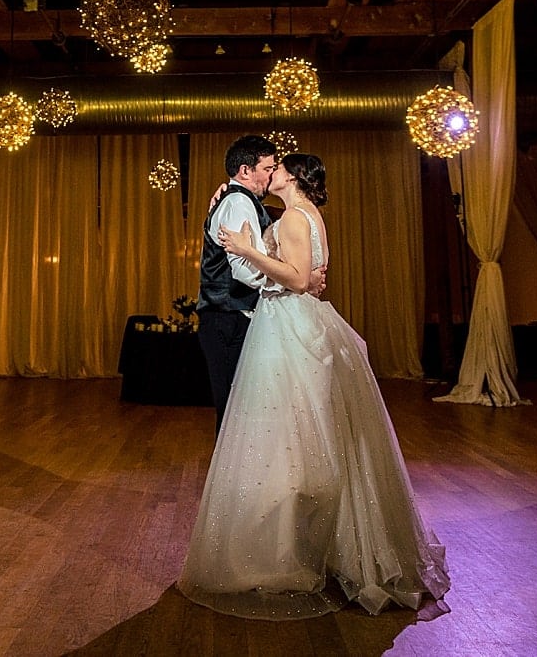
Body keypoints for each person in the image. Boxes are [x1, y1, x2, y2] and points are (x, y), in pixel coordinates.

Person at [179, 153, 449, 620]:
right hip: (296, 320)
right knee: (303, 436)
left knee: (288, 437)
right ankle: (313, 543)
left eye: (279, 168)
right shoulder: (302, 217)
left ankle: (292, 552)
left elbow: (300, 279)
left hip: (287, 323)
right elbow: (307, 275)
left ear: (295, 177)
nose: (272, 173)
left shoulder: (293, 221)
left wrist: (248, 252)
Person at [195, 135, 278, 432]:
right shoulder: (239, 202)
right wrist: (286, 279)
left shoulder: (241, 201)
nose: (272, 175)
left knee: (238, 410)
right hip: (228, 317)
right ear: (246, 171)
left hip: (229, 316)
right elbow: (244, 269)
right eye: (268, 168)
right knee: (234, 412)